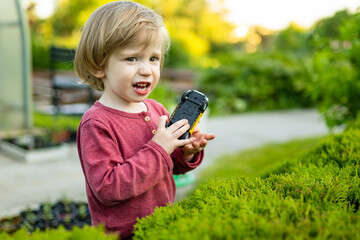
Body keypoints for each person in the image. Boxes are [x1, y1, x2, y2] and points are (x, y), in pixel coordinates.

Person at [74, 1, 215, 239]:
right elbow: (108, 188)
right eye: (132, 59)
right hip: (124, 234)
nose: (147, 70)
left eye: (153, 58)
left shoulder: (156, 109)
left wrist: (187, 152)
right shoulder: (97, 123)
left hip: (161, 227)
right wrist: (159, 147)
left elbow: (169, 166)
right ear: (99, 66)